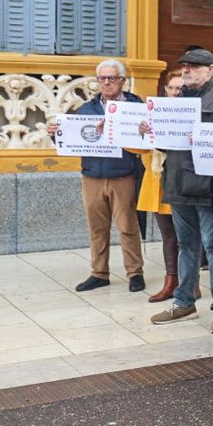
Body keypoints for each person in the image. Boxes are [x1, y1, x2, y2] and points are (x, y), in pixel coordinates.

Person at [47, 59, 146, 294]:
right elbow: (71, 140)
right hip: (92, 176)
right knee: (97, 228)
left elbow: (145, 139)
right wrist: (54, 134)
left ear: (123, 81)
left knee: (127, 226)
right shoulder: (86, 109)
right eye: (102, 78)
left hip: (124, 175)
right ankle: (99, 273)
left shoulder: (135, 107)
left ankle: (135, 272)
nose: (107, 82)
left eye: (112, 78)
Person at [154, 48, 213, 328]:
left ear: (210, 70)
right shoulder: (176, 99)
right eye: (185, 66)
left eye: (194, 67)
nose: (187, 70)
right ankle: (184, 301)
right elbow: (167, 145)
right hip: (177, 181)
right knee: (186, 245)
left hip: (206, 186)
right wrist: (152, 132)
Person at [138, 74, 183, 303]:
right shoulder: (152, 115)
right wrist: (141, 132)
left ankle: (190, 284)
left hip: (182, 183)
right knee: (168, 237)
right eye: (171, 88)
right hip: (157, 182)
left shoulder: (190, 116)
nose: (175, 92)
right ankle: (171, 281)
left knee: (186, 237)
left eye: (180, 89)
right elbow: (137, 150)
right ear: (165, 89)